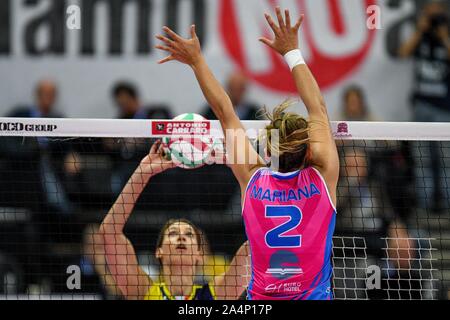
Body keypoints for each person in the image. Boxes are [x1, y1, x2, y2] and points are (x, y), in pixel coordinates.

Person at [155, 7, 339, 300]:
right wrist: (292, 52)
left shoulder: (253, 180)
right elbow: (318, 106)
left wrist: (196, 61)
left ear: (268, 150)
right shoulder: (322, 176)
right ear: (308, 151)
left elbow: (225, 112)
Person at [97, 141, 250, 300]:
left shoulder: (218, 294)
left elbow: (258, 244)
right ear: (159, 251)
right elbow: (109, 233)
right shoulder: (143, 291)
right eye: (173, 233)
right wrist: (142, 173)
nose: (181, 237)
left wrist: (239, 168)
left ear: (199, 253)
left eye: (189, 234)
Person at [398, 1, 450, 213]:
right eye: (430, 13)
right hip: (421, 106)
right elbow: (403, 53)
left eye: (437, 12)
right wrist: (421, 30)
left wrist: (444, 34)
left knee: (446, 162)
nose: (434, 16)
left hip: (444, 108)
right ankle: (424, 208)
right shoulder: (420, 37)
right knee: (423, 161)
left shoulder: (445, 37)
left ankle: (447, 208)